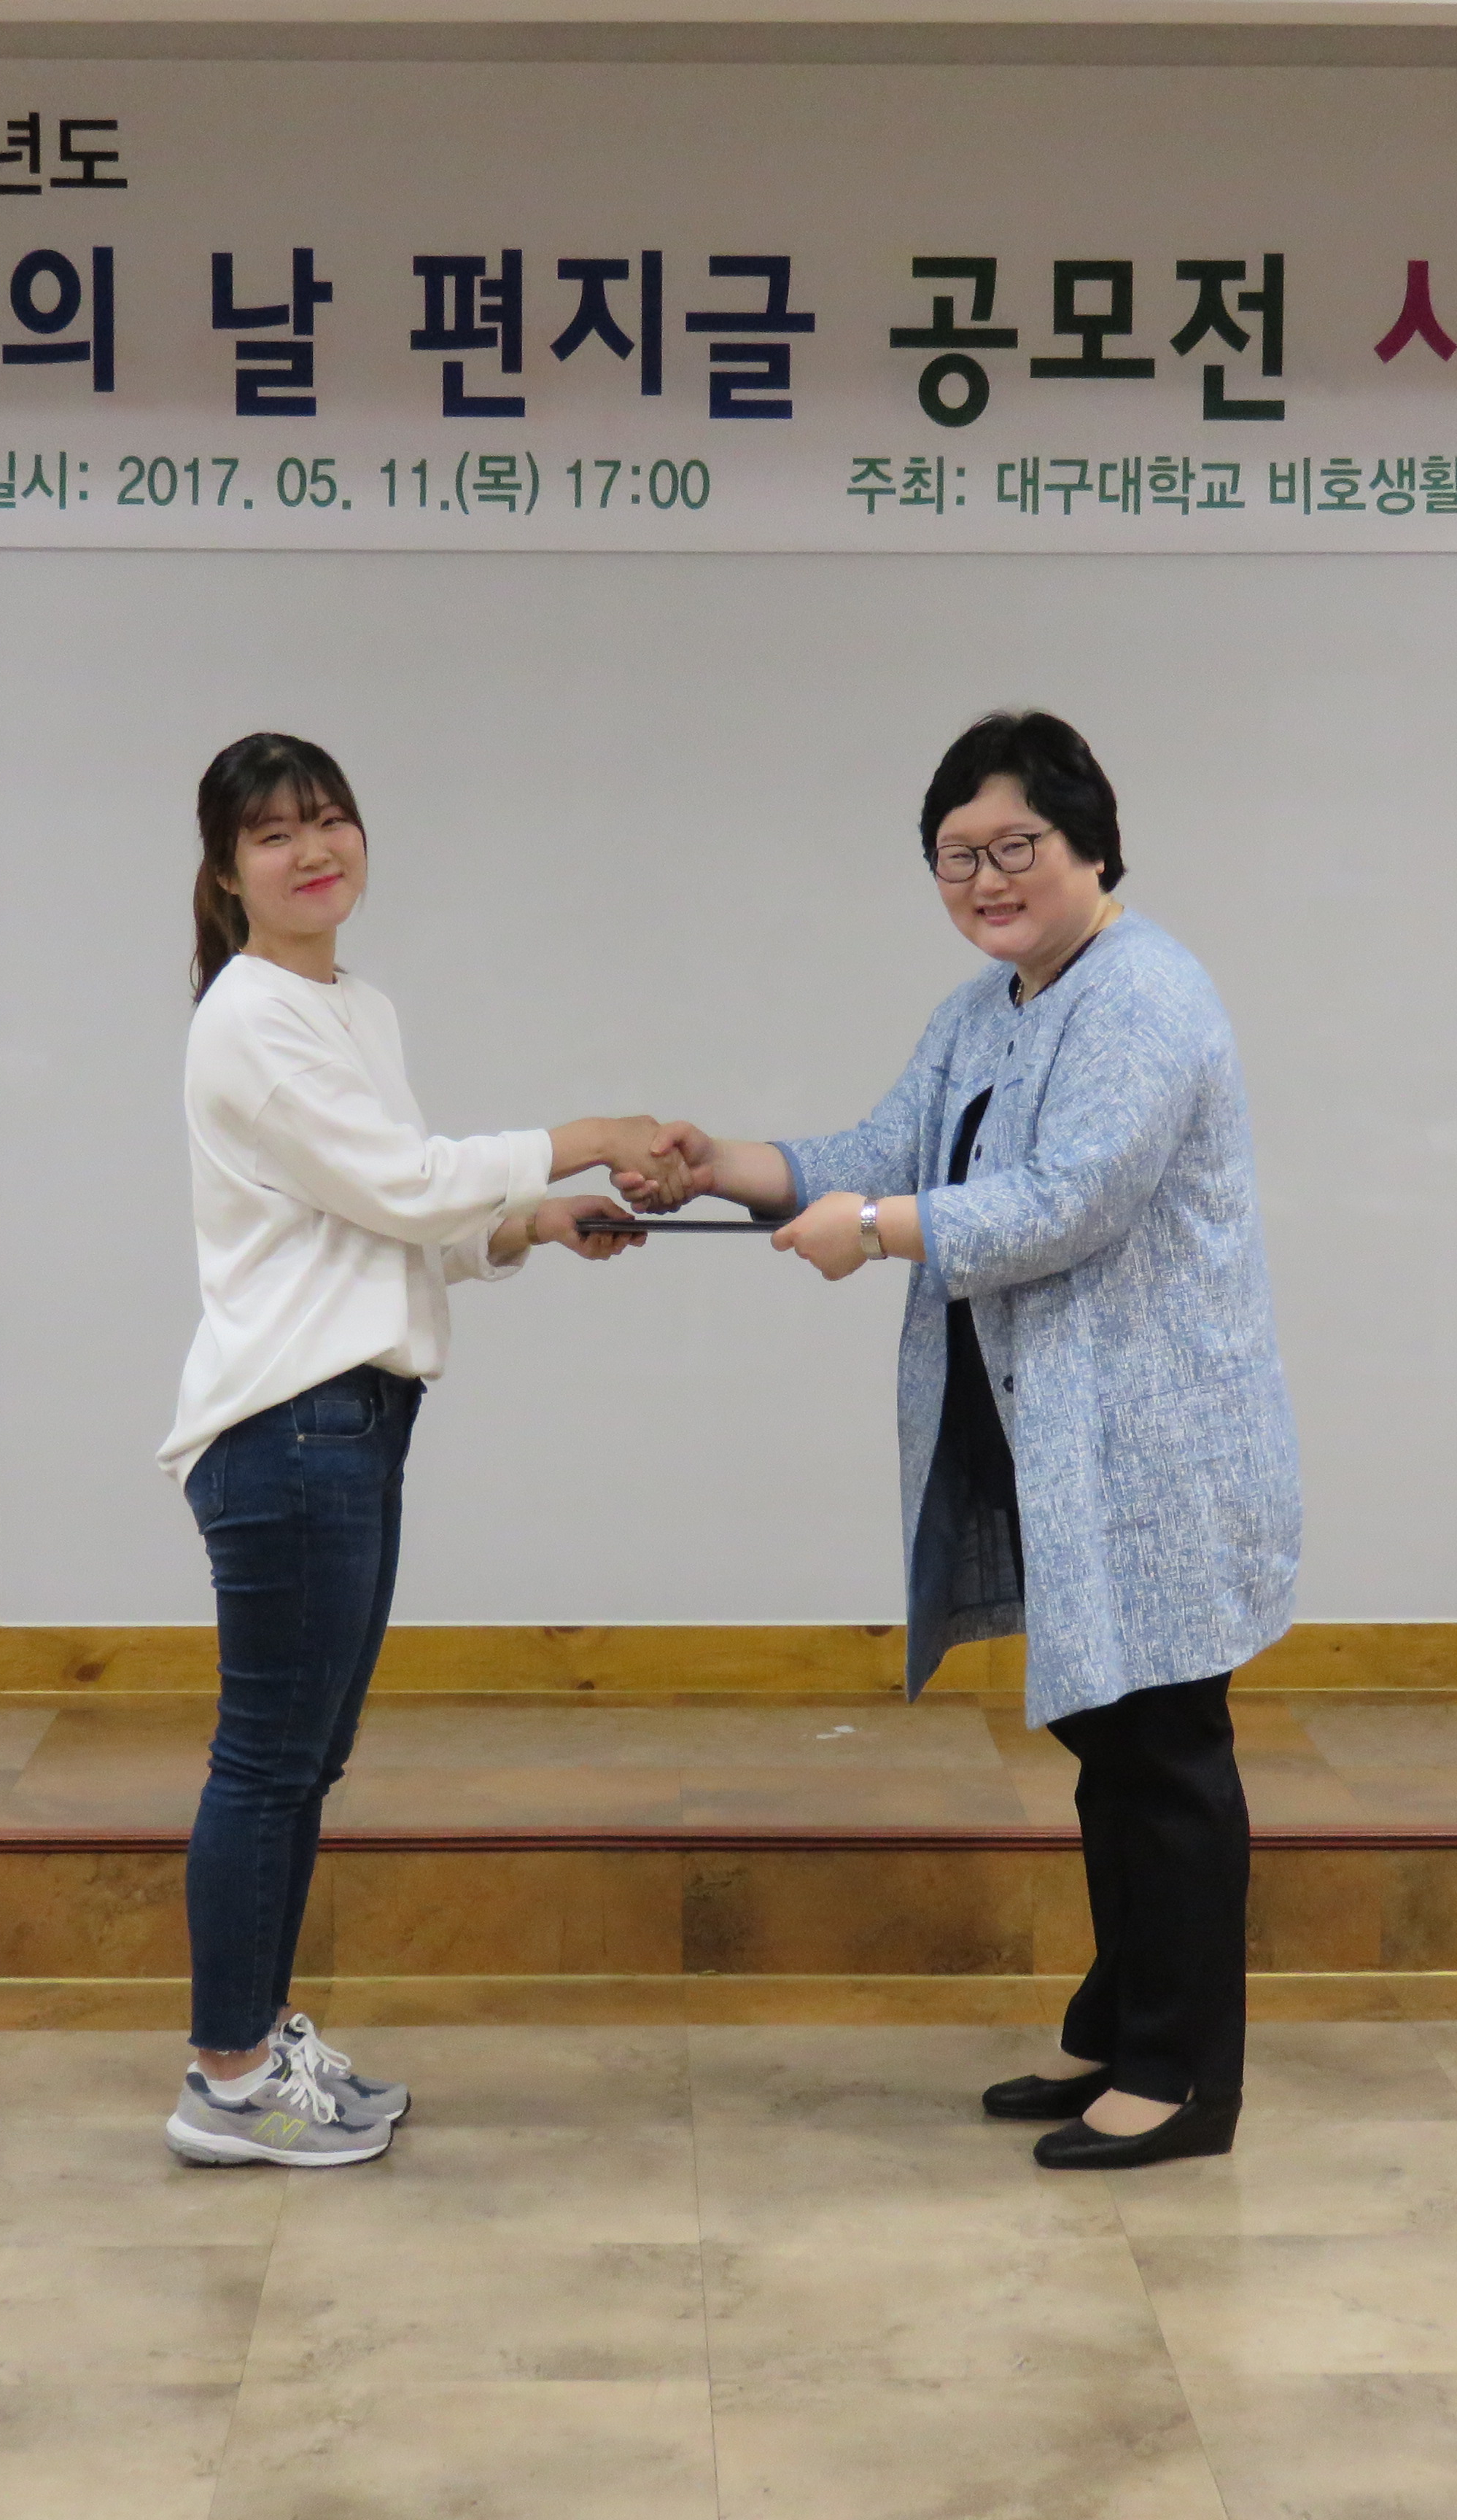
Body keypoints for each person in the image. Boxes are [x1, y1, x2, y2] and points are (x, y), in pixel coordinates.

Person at [631, 710, 1297, 2169]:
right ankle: (1125, 2027)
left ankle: (1186, 2077)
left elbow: (1068, 1200)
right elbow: (884, 1153)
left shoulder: (1144, 992)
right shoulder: (987, 1006)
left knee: (1166, 1751)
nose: (988, 880)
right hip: (1060, 1438)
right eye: (957, 857)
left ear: (1091, 843)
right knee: (1110, 1740)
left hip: (1156, 1448)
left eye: (1016, 848)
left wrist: (875, 1232)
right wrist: (720, 1165)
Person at [160, 731, 661, 2167]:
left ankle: (256, 2037)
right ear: (226, 871)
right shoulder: (249, 1017)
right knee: (269, 1764)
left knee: (304, 1763)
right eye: (274, 834)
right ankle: (226, 2077)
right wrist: (584, 1137)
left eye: (331, 820)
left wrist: (531, 1223)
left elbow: (391, 1221)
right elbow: (404, 1182)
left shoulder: (349, 1006)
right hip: (291, 1428)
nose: (313, 850)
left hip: (347, 1422)